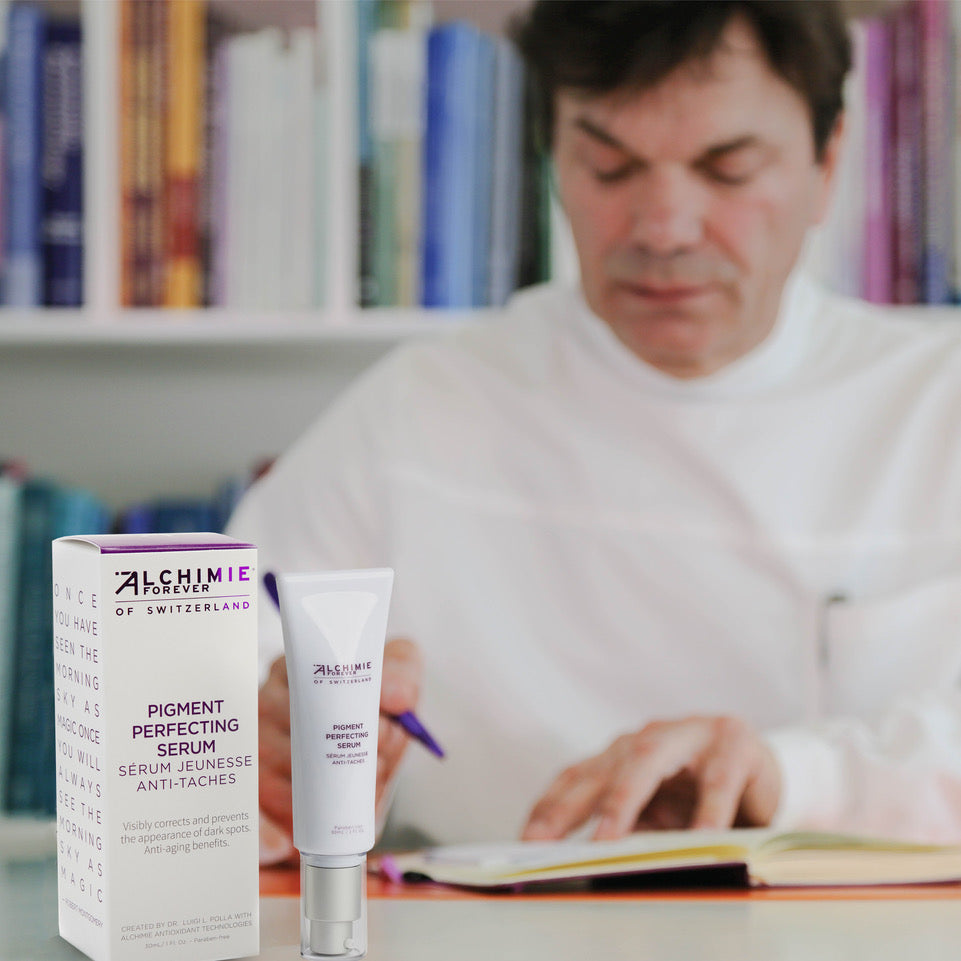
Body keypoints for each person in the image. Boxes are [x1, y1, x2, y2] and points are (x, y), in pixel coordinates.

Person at [229, 1, 961, 863]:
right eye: (610, 167)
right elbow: (226, 678)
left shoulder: (935, 404)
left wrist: (787, 775)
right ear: (550, 158)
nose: (663, 228)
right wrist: (261, 756)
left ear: (828, 162)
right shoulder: (420, 409)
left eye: (725, 170)